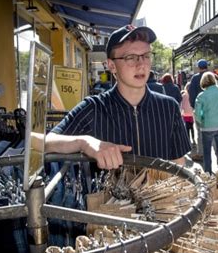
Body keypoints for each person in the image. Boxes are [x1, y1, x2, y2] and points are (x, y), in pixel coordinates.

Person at [45, 25, 191, 169]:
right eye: (130, 57)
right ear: (112, 65)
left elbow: (178, 165)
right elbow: (44, 141)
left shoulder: (168, 107)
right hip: (109, 192)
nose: (141, 65)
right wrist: (85, 142)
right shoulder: (94, 108)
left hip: (159, 191)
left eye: (146, 56)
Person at [194, 72, 218, 179]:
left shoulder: (201, 95)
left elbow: (197, 113)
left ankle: (208, 173)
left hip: (207, 126)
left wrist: (200, 121)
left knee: (207, 152)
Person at [188, 59, 209, 161]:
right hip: (212, 110)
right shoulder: (213, 77)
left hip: (199, 109)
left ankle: (201, 153)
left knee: (200, 131)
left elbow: (191, 94)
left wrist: (194, 107)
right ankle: (216, 157)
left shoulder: (195, 78)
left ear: (198, 67)